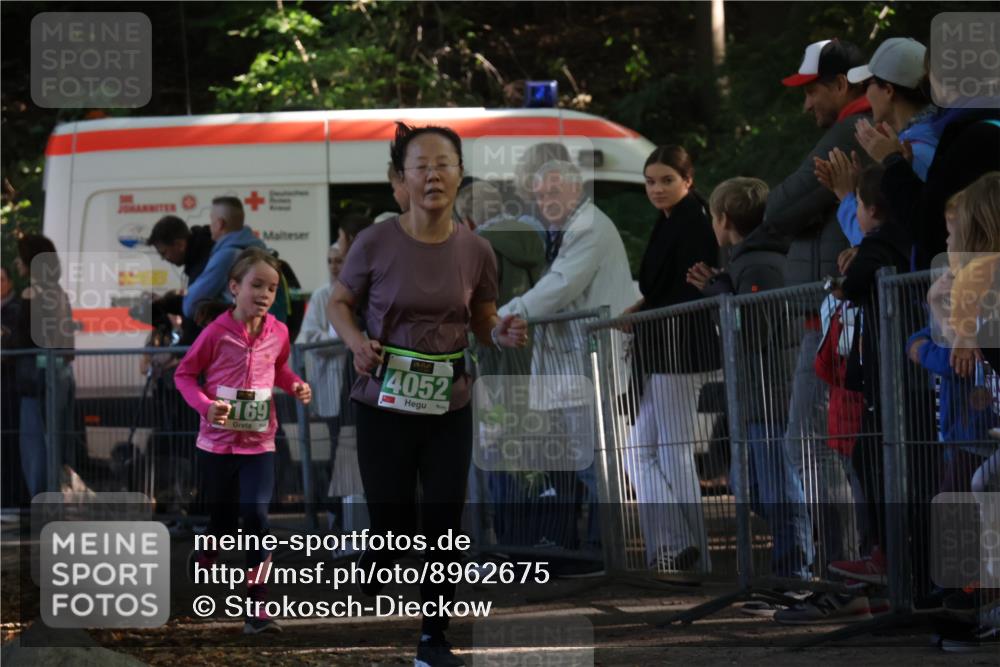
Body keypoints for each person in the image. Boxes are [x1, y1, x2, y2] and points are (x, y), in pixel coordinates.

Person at [327, 122, 527, 667]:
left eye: (445, 163)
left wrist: (499, 332)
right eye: (421, 165)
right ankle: (379, 554)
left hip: (448, 401)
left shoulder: (478, 250)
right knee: (392, 525)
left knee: (444, 518)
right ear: (402, 178)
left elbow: (482, 317)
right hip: (383, 399)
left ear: (460, 173)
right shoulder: (375, 241)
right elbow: (339, 303)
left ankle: (433, 639)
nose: (434, 174)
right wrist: (356, 342)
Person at [763, 38, 870, 569]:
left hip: (837, 316)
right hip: (835, 312)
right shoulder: (856, 127)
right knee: (826, 445)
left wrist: (805, 210)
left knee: (811, 444)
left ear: (841, 84)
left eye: (811, 92)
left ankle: (840, 575)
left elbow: (777, 208)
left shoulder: (853, 129)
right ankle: (850, 571)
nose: (806, 105)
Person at [175, 247, 312, 635]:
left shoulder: (279, 332)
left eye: (272, 288)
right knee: (222, 521)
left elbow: (280, 368)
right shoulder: (215, 333)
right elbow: (184, 375)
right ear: (234, 287)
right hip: (216, 446)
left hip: (259, 444)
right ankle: (209, 544)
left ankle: (257, 607)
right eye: (257, 285)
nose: (266, 294)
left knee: (256, 516)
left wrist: (296, 384)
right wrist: (205, 407)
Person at [690, 177, 816, 592]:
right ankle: (792, 570)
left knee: (778, 491)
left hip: (771, 397)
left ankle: (794, 577)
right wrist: (722, 291)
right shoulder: (749, 260)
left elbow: (751, 333)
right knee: (752, 488)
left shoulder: (759, 263)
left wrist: (721, 298)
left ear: (723, 220)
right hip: (760, 396)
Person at [621, 145, 721, 573]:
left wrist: (647, 311)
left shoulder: (694, 221)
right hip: (663, 347)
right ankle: (676, 546)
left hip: (680, 349)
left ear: (688, 180)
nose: (657, 189)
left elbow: (690, 289)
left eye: (666, 181)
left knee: (669, 452)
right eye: (650, 181)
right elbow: (667, 285)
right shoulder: (671, 220)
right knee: (641, 452)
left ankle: (689, 551)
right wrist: (642, 308)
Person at [815, 37, 938, 249]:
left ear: (888, 90)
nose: (864, 94)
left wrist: (846, 197)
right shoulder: (934, 137)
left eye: (867, 84)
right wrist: (864, 190)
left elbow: (886, 243)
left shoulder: (916, 152)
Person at [10, 235, 75, 499]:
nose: (16, 262)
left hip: (36, 379)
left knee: (35, 444)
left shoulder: (31, 294)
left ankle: (42, 504)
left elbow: (22, 340)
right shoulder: (59, 293)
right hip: (61, 374)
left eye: (20, 257)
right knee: (57, 442)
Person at [296, 240, 351, 534]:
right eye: (330, 260)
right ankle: (337, 518)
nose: (334, 266)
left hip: (358, 389)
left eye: (340, 260)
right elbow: (306, 341)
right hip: (332, 390)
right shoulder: (321, 296)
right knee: (335, 456)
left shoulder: (362, 293)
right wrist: (341, 338)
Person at [146, 214, 215, 344]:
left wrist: (182, 352)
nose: (164, 258)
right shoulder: (199, 259)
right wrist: (164, 303)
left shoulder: (203, 262)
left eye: (164, 252)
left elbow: (199, 308)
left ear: (179, 244)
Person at [1, 266, 25, 506]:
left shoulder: (14, 311)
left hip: (8, 390)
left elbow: (7, 348)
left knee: (9, 447)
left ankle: (11, 501)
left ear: (9, 283)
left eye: (0, 280)